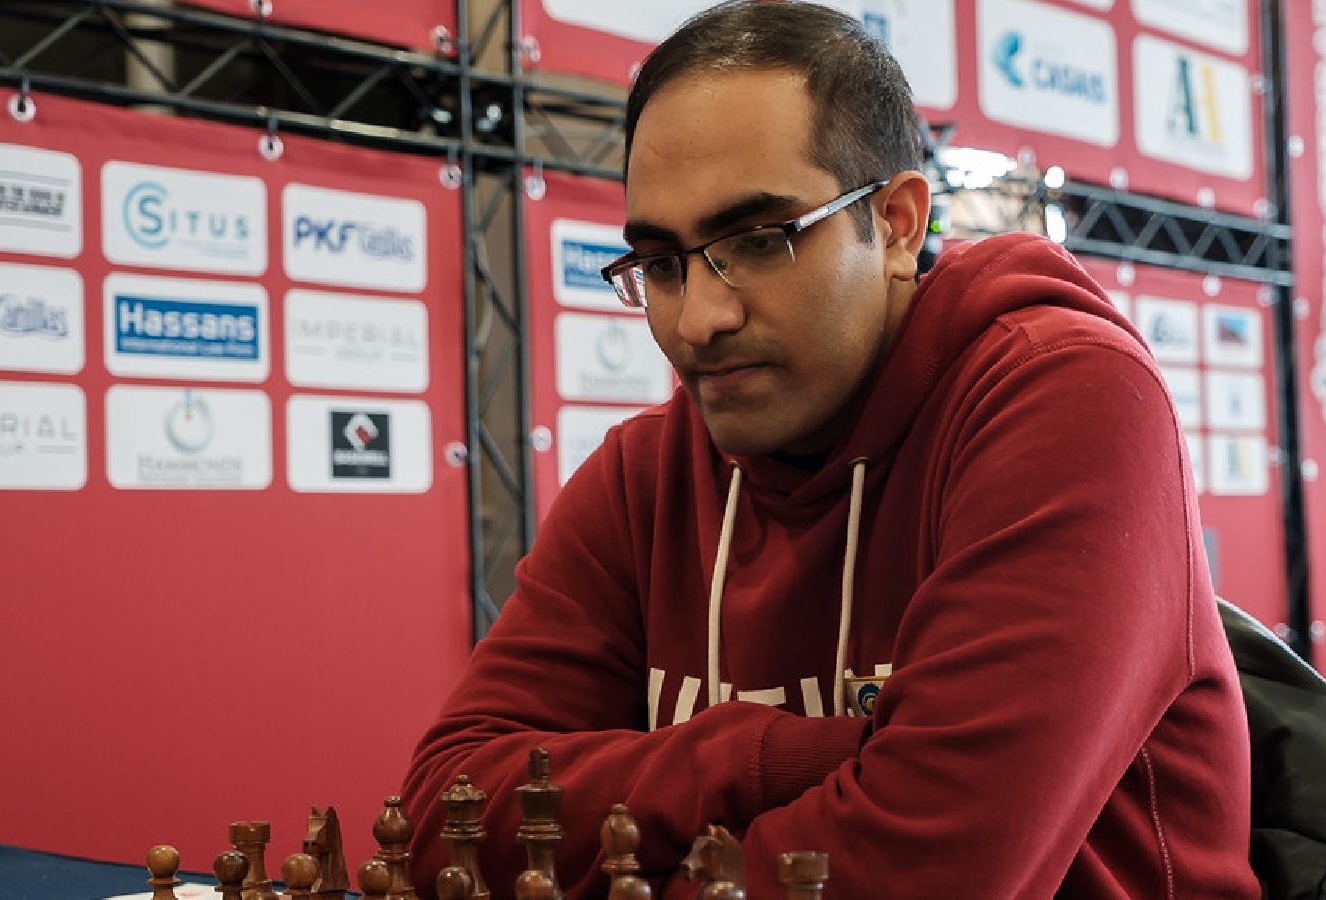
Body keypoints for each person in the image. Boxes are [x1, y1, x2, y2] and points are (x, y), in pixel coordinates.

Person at [402, 2, 1258, 897]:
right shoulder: (644, 476)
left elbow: (926, 871)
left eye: (759, 243)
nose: (699, 321)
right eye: (661, 264)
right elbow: (444, 819)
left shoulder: (1065, 397)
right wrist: (761, 758)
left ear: (895, 224)